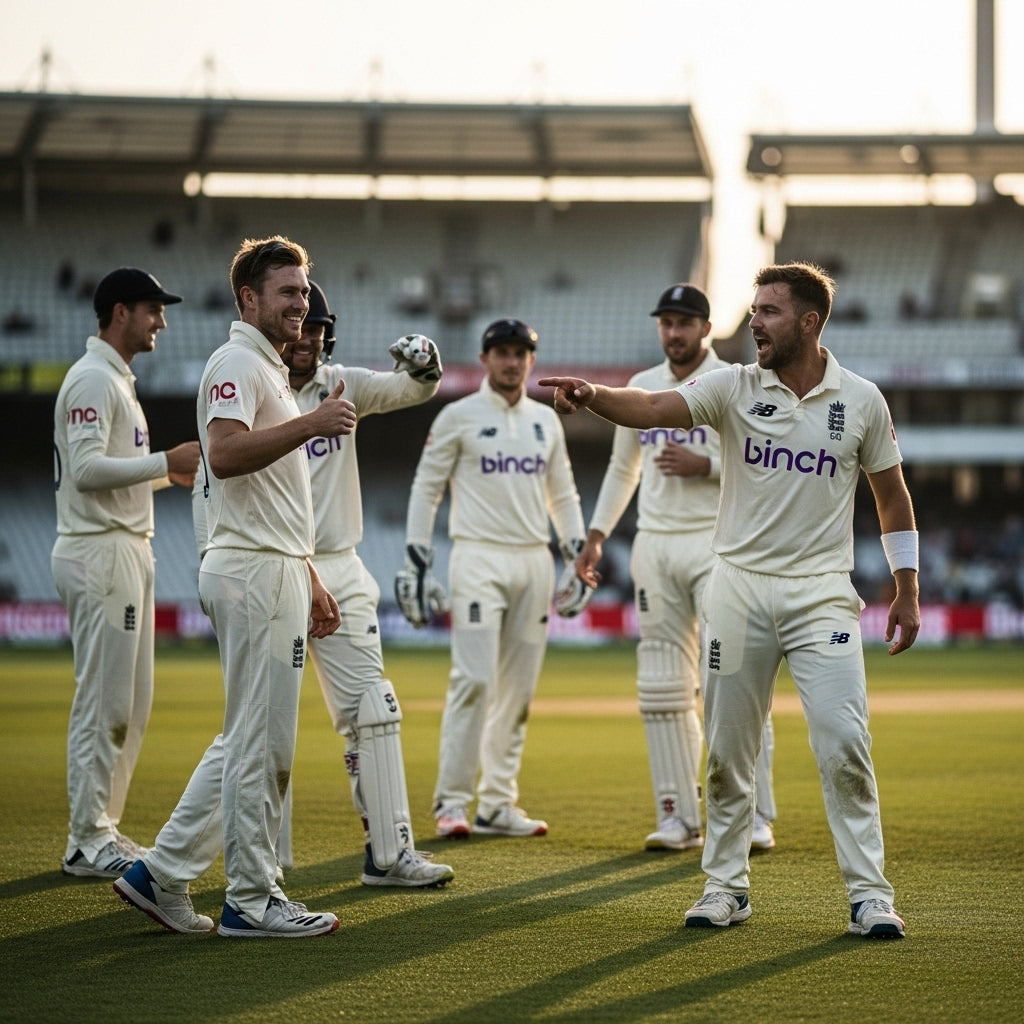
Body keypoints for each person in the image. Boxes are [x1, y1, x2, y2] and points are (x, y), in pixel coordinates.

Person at [540, 262, 920, 939]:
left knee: (844, 745)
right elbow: (653, 410)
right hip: (738, 589)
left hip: (821, 596)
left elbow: (892, 497)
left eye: (769, 311)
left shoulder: (861, 400)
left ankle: (870, 897)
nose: (755, 323)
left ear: (809, 322)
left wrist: (907, 586)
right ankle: (725, 887)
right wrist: (592, 394)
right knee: (726, 751)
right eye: (754, 310)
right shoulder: (733, 385)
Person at [114, 236, 357, 937]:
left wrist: (308, 574)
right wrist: (313, 422)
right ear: (248, 298)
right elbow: (221, 453)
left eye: (304, 292)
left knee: (255, 739)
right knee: (256, 741)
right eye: (287, 292)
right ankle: (251, 899)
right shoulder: (235, 361)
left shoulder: (268, 369)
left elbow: (274, 495)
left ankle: (160, 875)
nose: (300, 303)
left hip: (274, 565)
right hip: (251, 569)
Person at [577, 283, 778, 855]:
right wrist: (595, 537)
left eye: (685, 322)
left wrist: (706, 462)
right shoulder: (641, 388)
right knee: (662, 687)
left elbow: (762, 465)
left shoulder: (737, 383)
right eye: (666, 321)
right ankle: (677, 816)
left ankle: (755, 813)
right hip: (655, 547)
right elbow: (623, 471)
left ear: (705, 329)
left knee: (734, 680)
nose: (674, 332)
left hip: (720, 547)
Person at [277, 280, 454, 887]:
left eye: (318, 329)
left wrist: (426, 362)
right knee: (266, 722)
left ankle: (389, 853)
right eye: (302, 327)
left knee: (372, 710)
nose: (309, 339)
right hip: (275, 564)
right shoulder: (256, 387)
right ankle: (264, 864)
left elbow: (414, 388)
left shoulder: (344, 381)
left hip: (342, 564)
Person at [397, 317, 587, 839]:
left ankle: (498, 803)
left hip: (533, 560)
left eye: (520, 353)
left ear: (531, 360)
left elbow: (563, 496)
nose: (511, 361)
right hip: (477, 557)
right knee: (474, 681)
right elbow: (426, 487)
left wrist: (577, 554)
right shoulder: (458, 416)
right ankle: (452, 803)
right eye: (501, 352)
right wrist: (417, 555)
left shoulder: (545, 421)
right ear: (484, 359)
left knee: (518, 691)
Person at [54, 267, 200, 879]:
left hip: (124, 546)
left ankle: (101, 831)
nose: (161, 320)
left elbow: (113, 471)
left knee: (133, 703)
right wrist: (164, 460)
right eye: (151, 309)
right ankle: (87, 838)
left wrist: (167, 473)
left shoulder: (116, 379)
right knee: (106, 698)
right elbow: (87, 471)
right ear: (119, 312)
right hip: (100, 550)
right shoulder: (92, 378)